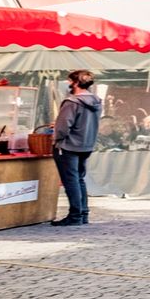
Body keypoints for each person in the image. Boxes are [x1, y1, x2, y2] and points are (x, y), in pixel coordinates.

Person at [49, 69, 104, 227]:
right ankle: (83, 213)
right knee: (79, 179)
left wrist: (57, 138)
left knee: (70, 180)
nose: (67, 83)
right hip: (86, 144)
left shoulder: (72, 102)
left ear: (76, 82)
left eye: (70, 81)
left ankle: (75, 215)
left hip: (68, 145)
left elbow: (63, 126)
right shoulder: (96, 102)